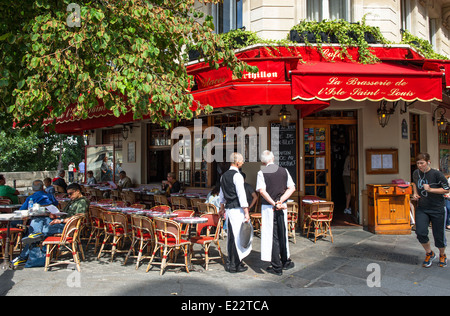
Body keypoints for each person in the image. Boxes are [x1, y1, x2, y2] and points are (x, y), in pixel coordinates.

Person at [12, 183, 89, 267]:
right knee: (38, 220)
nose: (69, 196)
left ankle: (24, 255)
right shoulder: (72, 201)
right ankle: (34, 235)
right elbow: (64, 213)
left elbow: (77, 217)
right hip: (62, 222)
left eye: (71, 194)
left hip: (68, 227)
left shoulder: (82, 202)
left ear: (77, 191)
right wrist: (56, 215)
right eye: (68, 194)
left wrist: (60, 220)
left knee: (42, 229)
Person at [256, 150, 296, 276]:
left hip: (269, 207)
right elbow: (292, 188)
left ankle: (276, 266)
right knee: (282, 232)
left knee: (272, 235)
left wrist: (274, 203)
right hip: (282, 206)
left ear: (263, 161)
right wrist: (280, 201)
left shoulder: (261, 173)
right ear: (273, 158)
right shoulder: (284, 170)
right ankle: (285, 261)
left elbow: (262, 191)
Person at [412, 152, 449, 268]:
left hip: (438, 208)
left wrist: (431, 190)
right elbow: (414, 183)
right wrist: (415, 193)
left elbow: (446, 190)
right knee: (420, 232)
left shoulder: (437, 174)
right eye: (418, 163)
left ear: (428, 162)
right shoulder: (416, 173)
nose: (420, 165)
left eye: (422, 163)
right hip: (422, 208)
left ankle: (442, 254)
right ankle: (429, 253)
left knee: (439, 235)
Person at [219, 152, 251, 273]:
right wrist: (246, 212)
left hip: (228, 209)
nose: (243, 162)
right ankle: (236, 264)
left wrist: (221, 208)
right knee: (238, 237)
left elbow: (222, 195)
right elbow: (242, 196)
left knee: (231, 237)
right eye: (242, 160)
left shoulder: (223, 176)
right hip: (237, 210)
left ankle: (230, 263)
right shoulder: (237, 176)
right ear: (237, 162)